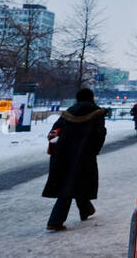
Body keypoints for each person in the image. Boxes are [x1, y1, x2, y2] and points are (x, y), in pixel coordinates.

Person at [42, 88, 107, 231]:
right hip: (83, 154)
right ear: (91, 98)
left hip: (62, 153)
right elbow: (99, 134)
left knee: (73, 180)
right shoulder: (97, 112)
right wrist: (94, 151)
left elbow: (55, 130)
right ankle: (55, 220)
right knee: (70, 184)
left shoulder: (68, 112)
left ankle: (86, 209)